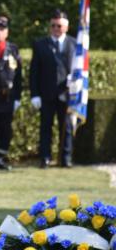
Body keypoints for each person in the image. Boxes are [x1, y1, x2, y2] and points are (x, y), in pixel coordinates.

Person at [30, 9, 76, 168]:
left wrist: (75, 82)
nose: (56, 29)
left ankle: (66, 158)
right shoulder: (40, 44)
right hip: (46, 94)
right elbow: (34, 72)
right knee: (45, 128)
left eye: (59, 26)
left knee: (67, 128)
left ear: (66, 27)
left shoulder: (75, 44)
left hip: (67, 93)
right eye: (53, 25)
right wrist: (34, 94)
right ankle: (45, 157)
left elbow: (80, 69)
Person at [0, 16, 22, 171]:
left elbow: (19, 75)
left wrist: (18, 96)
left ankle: (0, 158)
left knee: (5, 129)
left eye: (2, 29)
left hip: (8, 97)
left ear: (7, 32)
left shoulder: (13, 49)